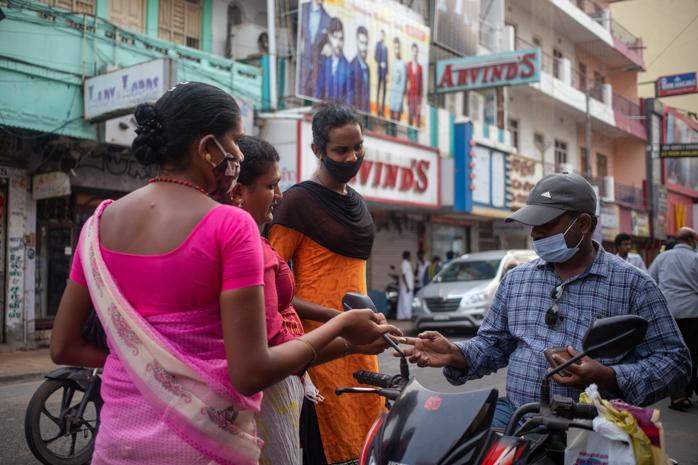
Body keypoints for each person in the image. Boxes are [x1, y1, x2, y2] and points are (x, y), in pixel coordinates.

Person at [49, 83, 397, 465]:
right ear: (207, 149)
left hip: (116, 448)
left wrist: (146, 365)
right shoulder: (230, 226)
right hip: (203, 448)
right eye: (235, 142)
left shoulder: (97, 224)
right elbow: (251, 371)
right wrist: (344, 324)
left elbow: (64, 346)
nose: (237, 155)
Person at [399, 172, 691, 428]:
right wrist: (455, 353)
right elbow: (492, 345)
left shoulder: (634, 285)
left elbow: (675, 362)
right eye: (532, 225)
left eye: (546, 225)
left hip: (596, 425)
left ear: (584, 224)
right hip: (518, 415)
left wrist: (607, 375)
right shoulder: (516, 280)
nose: (535, 234)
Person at [227, 135, 395, 464]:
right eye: (271, 186)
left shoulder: (245, 239)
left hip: (315, 349)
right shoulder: (254, 241)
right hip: (304, 355)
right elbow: (265, 358)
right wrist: (343, 325)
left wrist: (352, 334)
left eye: (358, 146)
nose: (279, 196)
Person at [268, 104, 385, 465]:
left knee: (367, 444)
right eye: (341, 150)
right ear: (317, 150)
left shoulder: (358, 201)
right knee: (325, 447)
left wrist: (359, 322)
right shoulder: (297, 202)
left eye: (358, 147)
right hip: (317, 344)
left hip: (360, 338)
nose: (352, 157)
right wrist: (336, 317)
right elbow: (270, 288)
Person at [648, 227, 698, 411]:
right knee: (691, 354)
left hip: (667, 312)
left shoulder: (662, 257)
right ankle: (686, 393)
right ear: (692, 240)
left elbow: (650, 279)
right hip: (692, 313)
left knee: (672, 353)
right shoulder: (695, 258)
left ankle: (676, 396)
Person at [299, 0, 331, 98]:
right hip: (303, 59)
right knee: (302, 87)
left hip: (317, 63)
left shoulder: (327, 18)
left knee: (315, 90)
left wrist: (328, 46)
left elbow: (328, 41)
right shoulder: (303, 8)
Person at [315, 17, 350, 102]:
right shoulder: (323, 60)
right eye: (335, 37)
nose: (338, 43)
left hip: (338, 114)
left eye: (341, 39)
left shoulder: (348, 69)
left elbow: (349, 101)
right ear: (329, 37)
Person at [348, 26, 371, 112]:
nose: (364, 48)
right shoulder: (351, 67)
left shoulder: (367, 68)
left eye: (366, 43)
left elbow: (367, 97)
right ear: (357, 42)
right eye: (362, 43)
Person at [388, 36, 406, 121]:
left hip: (398, 97)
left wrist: (400, 100)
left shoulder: (402, 64)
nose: (397, 51)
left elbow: (403, 84)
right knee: (390, 119)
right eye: (395, 48)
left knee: (396, 121)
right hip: (392, 95)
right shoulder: (393, 62)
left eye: (398, 48)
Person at [406, 43, 423, 127]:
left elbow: (421, 86)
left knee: (417, 121)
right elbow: (405, 82)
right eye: (413, 51)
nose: (415, 53)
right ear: (411, 52)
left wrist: (420, 102)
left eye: (416, 52)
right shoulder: (408, 65)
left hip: (417, 98)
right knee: (409, 119)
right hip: (410, 97)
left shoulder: (420, 68)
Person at [374, 29, 389, 117]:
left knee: (384, 91)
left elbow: (387, 61)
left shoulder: (385, 47)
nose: (381, 37)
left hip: (384, 72)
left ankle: (382, 109)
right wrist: (380, 63)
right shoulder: (378, 45)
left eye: (383, 35)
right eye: (380, 35)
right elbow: (375, 56)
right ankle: (377, 108)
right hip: (379, 71)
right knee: (378, 89)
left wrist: (387, 73)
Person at [397, 250, 415, 321]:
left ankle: (402, 316)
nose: (411, 257)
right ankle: (407, 316)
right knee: (406, 302)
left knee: (406, 301)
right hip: (406, 287)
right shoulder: (405, 263)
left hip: (407, 286)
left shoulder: (407, 263)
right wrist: (407, 286)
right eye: (410, 256)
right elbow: (404, 275)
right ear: (407, 256)